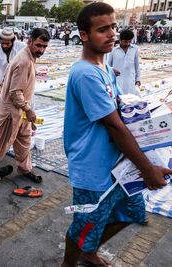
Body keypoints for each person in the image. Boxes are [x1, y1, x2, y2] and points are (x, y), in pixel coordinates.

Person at [61, 3, 172, 267]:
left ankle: (89, 252)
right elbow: (114, 126)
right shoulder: (85, 74)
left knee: (130, 213)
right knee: (84, 225)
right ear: (84, 35)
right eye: (102, 29)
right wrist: (147, 169)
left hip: (117, 166)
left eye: (112, 26)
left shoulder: (105, 69)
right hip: (94, 170)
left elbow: (123, 112)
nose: (111, 33)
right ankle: (68, 263)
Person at [0, 28, 50, 182]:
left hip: (21, 109)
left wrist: (27, 109)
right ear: (29, 41)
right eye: (38, 45)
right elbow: (15, 92)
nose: (41, 50)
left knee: (24, 140)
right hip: (12, 110)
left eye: (44, 46)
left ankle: (25, 168)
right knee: (2, 142)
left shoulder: (29, 56)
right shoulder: (24, 61)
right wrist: (28, 110)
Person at [108, 29, 141, 96]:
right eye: (125, 42)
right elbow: (108, 66)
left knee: (130, 101)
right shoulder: (113, 50)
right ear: (120, 40)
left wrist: (138, 79)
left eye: (130, 41)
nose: (128, 44)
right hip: (117, 81)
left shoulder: (135, 49)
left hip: (130, 81)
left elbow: (137, 65)